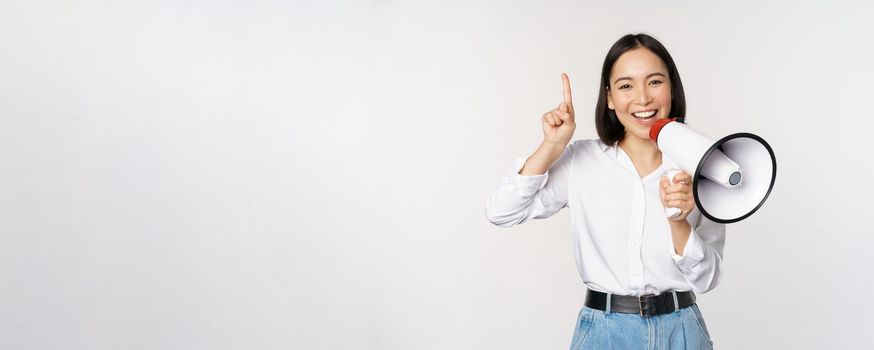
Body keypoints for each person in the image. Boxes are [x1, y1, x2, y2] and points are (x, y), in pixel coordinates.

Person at [484, 33, 725, 349]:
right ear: (610, 98)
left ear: (671, 88)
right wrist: (552, 145)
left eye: (654, 82)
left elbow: (708, 279)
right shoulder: (582, 162)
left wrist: (679, 225)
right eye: (626, 86)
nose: (642, 98)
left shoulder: (704, 165)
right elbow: (501, 211)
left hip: (681, 332)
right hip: (605, 333)